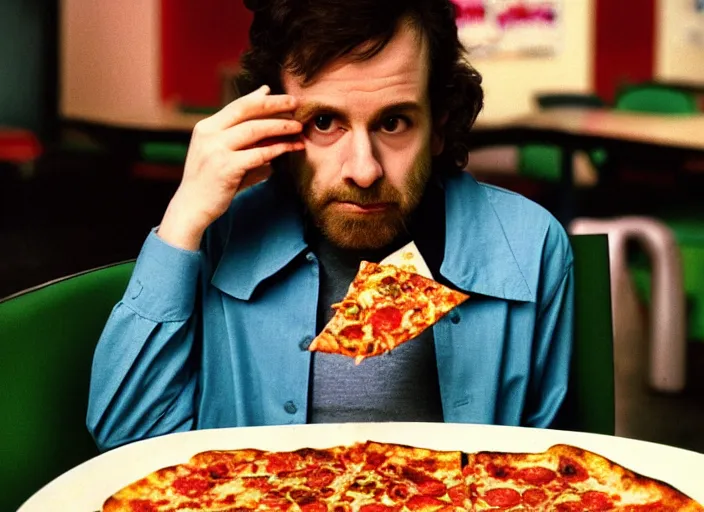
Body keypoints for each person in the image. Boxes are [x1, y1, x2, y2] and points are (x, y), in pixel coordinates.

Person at [87, 0, 574, 452]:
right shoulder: (221, 233)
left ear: (439, 126)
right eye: (324, 121)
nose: (363, 170)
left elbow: (541, 472)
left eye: (394, 123)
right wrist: (184, 217)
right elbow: (127, 440)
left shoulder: (529, 246)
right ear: (274, 119)